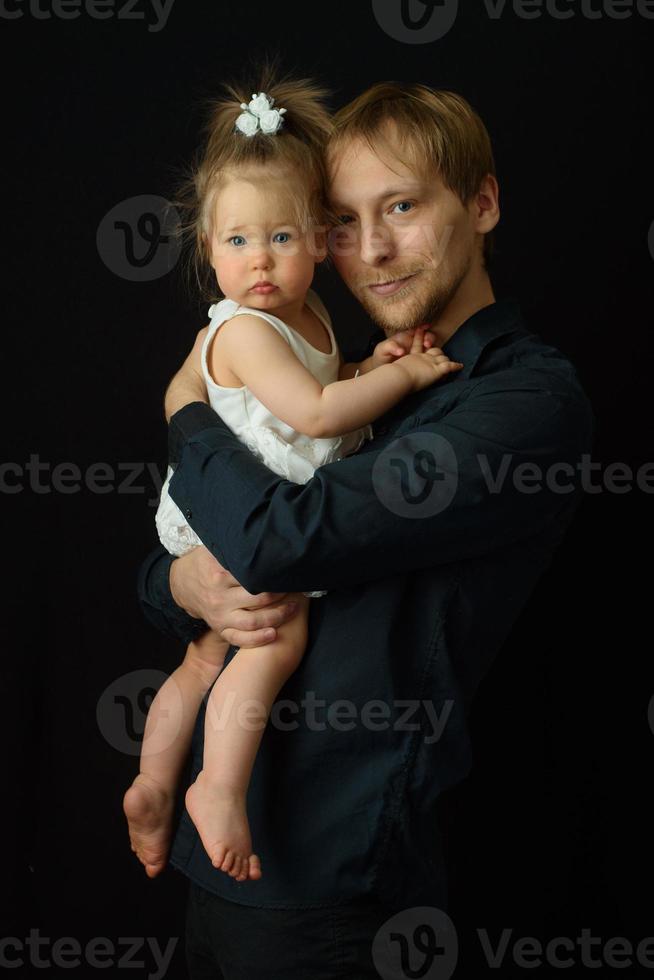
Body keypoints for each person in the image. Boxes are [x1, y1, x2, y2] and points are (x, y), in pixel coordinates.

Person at [137, 74, 595, 978]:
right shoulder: (358, 376)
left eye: (402, 207)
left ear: (483, 202)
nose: (373, 250)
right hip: (216, 867)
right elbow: (189, 570)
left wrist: (186, 406)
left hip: (331, 892)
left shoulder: (523, 403)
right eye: (342, 222)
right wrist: (178, 583)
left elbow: (277, 539)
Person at [123, 72, 462, 886]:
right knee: (278, 636)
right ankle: (217, 785)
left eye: (280, 238)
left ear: (318, 239)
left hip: (239, 502)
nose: (259, 261)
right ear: (209, 250)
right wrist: (405, 381)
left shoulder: (303, 321)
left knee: (205, 661)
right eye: (236, 242)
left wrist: (362, 363)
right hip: (229, 509)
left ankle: (153, 783)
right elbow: (313, 417)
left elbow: (316, 390)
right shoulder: (241, 331)